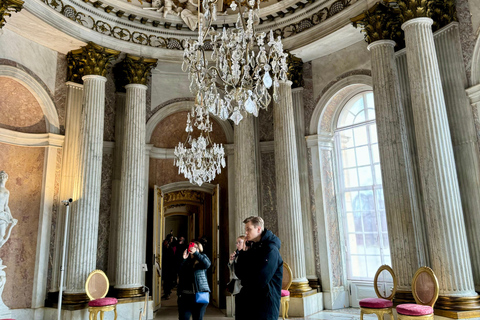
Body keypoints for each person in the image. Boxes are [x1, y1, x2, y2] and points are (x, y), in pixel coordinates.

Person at [234, 216, 283, 320]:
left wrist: (247, 278)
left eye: (249, 229)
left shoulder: (271, 249)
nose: (246, 233)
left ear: (259, 229)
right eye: (245, 229)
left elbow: (261, 280)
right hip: (250, 301)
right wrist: (243, 253)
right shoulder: (253, 247)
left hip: (264, 305)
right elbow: (239, 273)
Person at [177, 241, 211, 320]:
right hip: (185, 295)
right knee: (183, 317)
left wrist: (196, 253)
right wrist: (183, 259)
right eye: (191, 246)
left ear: (199, 249)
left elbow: (207, 264)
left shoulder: (202, 258)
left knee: (198, 318)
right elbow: (179, 271)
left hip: (199, 295)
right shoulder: (185, 259)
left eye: (196, 247)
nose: (193, 248)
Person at [0, 171, 17, 249]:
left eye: (4, 177)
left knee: (2, 235)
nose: (2, 178)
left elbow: (6, 206)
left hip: (3, 215)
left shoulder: (7, 191)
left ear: (6, 179)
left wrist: (11, 217)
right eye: (1, 176)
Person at [162, 233, 175, 299]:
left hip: (170, 264)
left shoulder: (171, 244)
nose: (172, 239)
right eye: (171, 238)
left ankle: (167, 293)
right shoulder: (166, 244)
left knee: (169, 280)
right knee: (166, 280)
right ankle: (166, 293)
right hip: (166, 264)